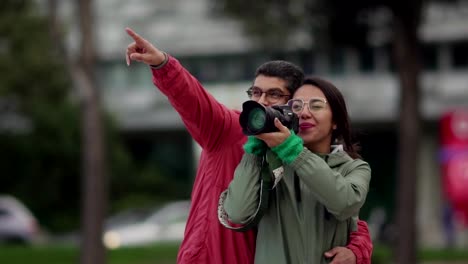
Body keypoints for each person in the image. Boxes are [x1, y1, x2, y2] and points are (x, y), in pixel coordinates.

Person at [125, 27, 373, 264]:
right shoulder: (230, 128)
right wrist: (163, 64)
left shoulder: (299, 152)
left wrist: (358, 249)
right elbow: (193, 99)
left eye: (274, 94)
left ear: (295, 105)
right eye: (255, 92)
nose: (261, 101)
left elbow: (341, 210)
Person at [222, 76, 372, 263]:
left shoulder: (354, 168)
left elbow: (344, 203)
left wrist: (294, 152)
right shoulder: (271, 164)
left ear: (336, 121)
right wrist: (254, 154)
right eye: (297, 107)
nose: (304, 113)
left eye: (316, 106)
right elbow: (237, 213)